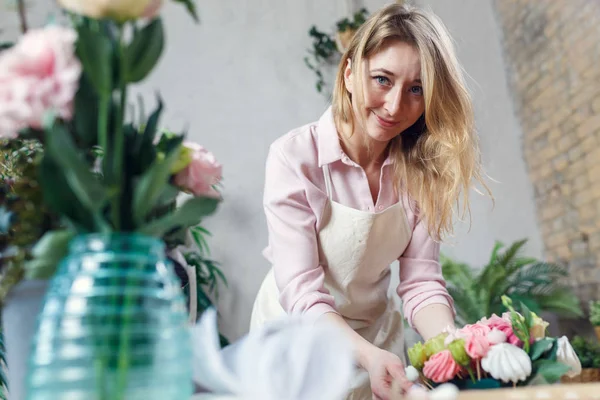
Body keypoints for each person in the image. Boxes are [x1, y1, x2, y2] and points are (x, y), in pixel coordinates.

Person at [251, 3, 489, 399]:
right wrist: (367, 355)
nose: (395, 106)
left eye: (416, 89)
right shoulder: (295, 157)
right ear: (348, 73)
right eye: (382, 79)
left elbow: (422, 282)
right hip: (296, 348)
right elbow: (302, 291)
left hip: (379, 346)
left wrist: (453, 345)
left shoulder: (422, 170)